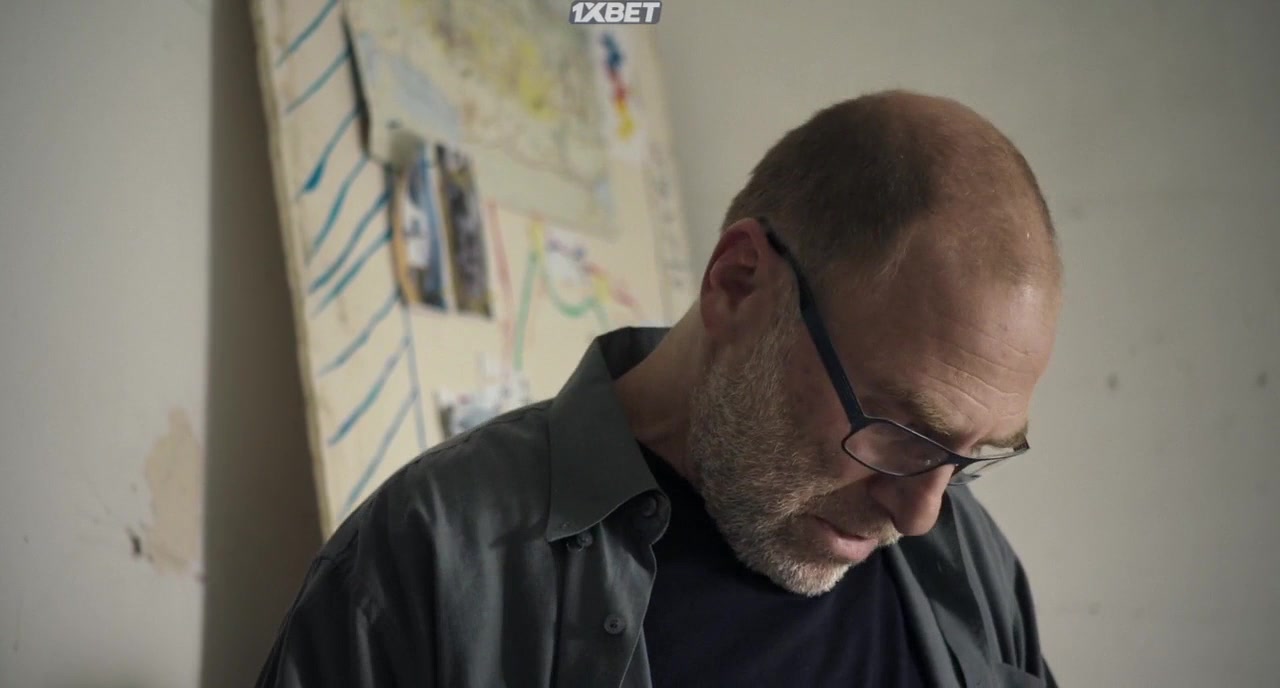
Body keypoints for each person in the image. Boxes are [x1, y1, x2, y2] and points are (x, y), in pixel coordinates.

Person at [258, 90, 1062, 687]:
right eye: (897, 429)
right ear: (739, 284)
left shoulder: (968, 557)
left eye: (967, 459)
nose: (920, 516)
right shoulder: (425, 559)